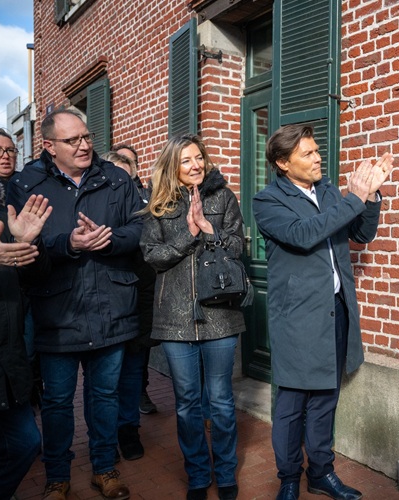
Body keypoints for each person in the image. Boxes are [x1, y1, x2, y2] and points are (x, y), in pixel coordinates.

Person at [7, 109, 144, 500]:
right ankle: (57, 477)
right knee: (56, 402)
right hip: (58, 312)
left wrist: (109, 239)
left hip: (111, 308)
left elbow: (140, 227)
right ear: (49, 146)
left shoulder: (116, 178)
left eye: (87, 136)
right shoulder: (27, 184)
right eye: (73, 140)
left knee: (105, 397)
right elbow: (23, 248)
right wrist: (67, 244)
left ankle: (104, 468)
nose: (84, 145)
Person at [253, 124, 394, 500]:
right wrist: (354, 198)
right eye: (307, 154)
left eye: (317, 150)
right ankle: (288, 478)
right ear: (283, 163)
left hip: (335, 309)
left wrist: (370, 196)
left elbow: (361, 234)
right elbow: (304, 234)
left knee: (324, 400)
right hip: (297, 316)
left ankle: (321, 473)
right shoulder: (268, 202)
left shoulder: (329, 192)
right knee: (292, 404)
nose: (318, 158)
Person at [139, 134, 244, 500]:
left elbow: (238, 246)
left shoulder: (223, 197)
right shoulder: (159, 204)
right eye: (186, 160)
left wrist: (211, 230)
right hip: (175, 317)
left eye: (199, 157)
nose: (195, 165)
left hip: (220, 314)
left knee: (221, 402)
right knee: (186, 404)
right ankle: (198, 474)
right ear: (173, 165)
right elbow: (152, 256)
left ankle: (226, 473)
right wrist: (189, 233)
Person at [0, 178, 52, 500]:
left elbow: (35, 278)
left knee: (25, 444)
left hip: (6, 362)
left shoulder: (1, 211)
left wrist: (28, 244)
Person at [112, 143, 159, 415]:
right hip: (115, 285)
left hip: (143, 283)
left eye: (129, 163)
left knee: (140, 348)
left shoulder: (147, 198)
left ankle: (140, 392)